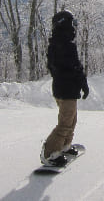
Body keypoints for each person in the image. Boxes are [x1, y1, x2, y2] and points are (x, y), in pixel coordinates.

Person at [40, 10, 89, 167]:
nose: (74, 28)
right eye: (72, 23)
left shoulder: (55, 44)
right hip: (67, 90)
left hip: (63, 89)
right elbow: (75, 67)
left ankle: (64, 146)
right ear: (65, 24)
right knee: (65, 123)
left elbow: (57, 67)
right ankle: (50, 154)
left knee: (71, 120)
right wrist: (82, 83)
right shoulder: (66, 45)